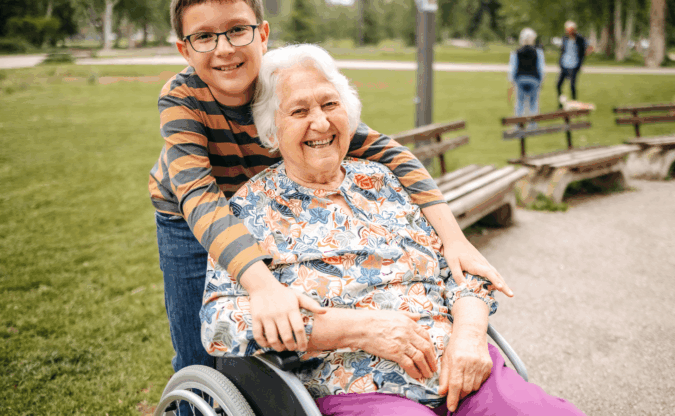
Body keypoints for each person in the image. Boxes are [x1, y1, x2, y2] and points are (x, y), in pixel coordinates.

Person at [201, 44, 587, 416]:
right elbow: (220, 324)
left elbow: (461, 268)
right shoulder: (251, 208)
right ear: (271, 132)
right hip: (360, 390)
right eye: (299, 111)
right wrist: (355, 329)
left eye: (330, 104)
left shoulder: (384, 181)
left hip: (464, 370)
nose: (320, 122)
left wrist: (469, 336)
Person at [150, 0, 512, 394]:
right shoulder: (182, 97)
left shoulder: (285, 87)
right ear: (184, 48)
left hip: (262, 195)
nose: (224, 49)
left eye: (238, 30)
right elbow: (200, 197)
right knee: (199, 355)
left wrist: (454, 239)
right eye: (204, 36)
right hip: (188, 215)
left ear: (263, 34)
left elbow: (390, 153)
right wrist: (264, 287)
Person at [508, 28, 545, 118]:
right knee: (533, 104)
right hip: (534, 78)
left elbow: (513, 67)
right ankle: (532, 126)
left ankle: (518, 125)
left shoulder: (516, 52)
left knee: (520, 103)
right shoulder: (538, 52)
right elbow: (541, 68)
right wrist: (542, 80)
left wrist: (511, 80)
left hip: (520, 79)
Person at [556, 21, 593, 106]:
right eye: (567, 29)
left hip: (574, 65)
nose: (568, 31)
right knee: (558, 85)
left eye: (570, 29)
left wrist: (582, 57)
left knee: (572, 86)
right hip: (564, 64)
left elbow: (589, 48)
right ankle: (560, 102)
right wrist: (560, 62)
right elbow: (562, 50)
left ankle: (574, 102)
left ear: (574, 30)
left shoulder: (580, 39)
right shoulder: (565, 38)